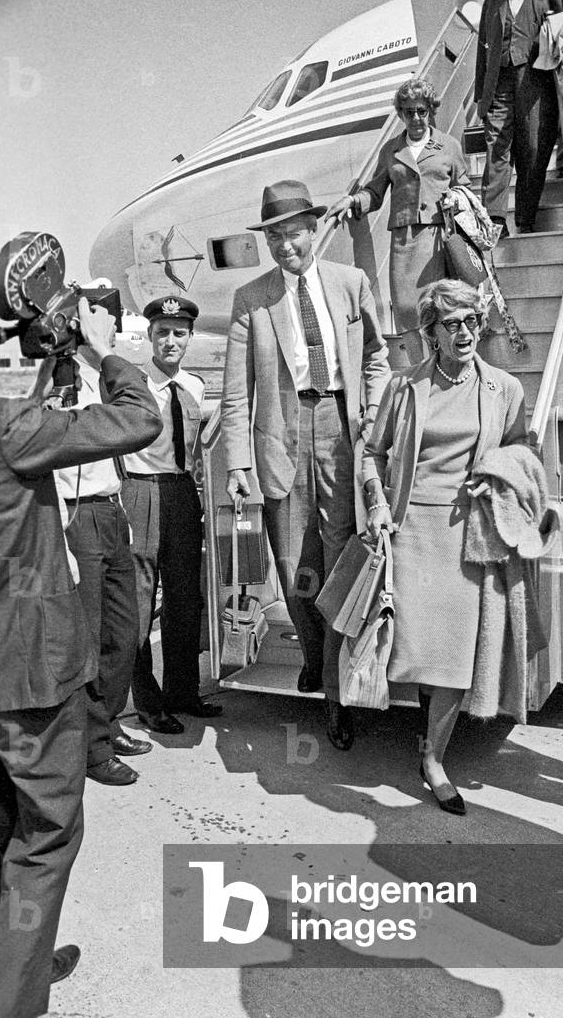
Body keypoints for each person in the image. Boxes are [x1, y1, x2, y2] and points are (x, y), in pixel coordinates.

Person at [0, 299, 162, 1018]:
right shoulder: (15, 428)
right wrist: (97, 351)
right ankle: (13, 995)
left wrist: (40, 364)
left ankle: (15, 957)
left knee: (1, 828)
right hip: (26, 669)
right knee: (45, 834)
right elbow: (138, 417)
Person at [221, 179, 390, 750]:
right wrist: (238, 462)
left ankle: (340, 695)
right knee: (295, 566)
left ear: (314, 229)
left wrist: (371, 416)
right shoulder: (252, 299)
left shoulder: (351, 283)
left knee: (342, 556)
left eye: (293, 233)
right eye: (275, 237)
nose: (286, 246)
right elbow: (236, 393)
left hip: (340, 429)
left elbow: (376, 358)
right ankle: (316, 659)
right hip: (282, 432)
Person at [362, 279, 528, 813]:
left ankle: (433, 758)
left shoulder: (505, 388)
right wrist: (377, 504)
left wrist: (498, 474)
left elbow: (521, 453)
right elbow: (372, 452)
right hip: (411, 531)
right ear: (430, 332)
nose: (464, 333)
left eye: (473, 322)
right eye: (451, 324)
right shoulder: (404, 386)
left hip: (468, 537)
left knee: (456, 655)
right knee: (412, 648)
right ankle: (410, 731)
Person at [29, 348, 152, 787]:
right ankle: (91, 750)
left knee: (123, 632)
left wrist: (101, 355)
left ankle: (107, 723)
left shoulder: (96, 372)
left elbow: (132, 422)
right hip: (75, 513)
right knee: (89, 635)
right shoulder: (42, 377)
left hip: (111, 507)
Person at [122, 296, 222, 734]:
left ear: (189, 337)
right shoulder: (133, 385)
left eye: (179, 333)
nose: (170, 341)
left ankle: (183, 691)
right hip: (141, 490)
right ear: (149, 336)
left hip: (182, 492)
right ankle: (147, 704)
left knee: (186, 598)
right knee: (140, 602)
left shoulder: (196, 386)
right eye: (162, 332)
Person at [325, 79, 469, 339]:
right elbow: (375, 192)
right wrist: (352, 201)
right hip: (404, 240)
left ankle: (443, 363)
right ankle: (420, 368)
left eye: (421, 111)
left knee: (439, 306)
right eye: (408, 112)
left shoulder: (449, 146)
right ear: (401, 114)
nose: (415, 118)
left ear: (430, 110)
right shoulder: (391, 150)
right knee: (406, 308)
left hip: (440, 238)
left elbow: (464, 188)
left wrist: (456, 200)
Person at [475, 0, 563, 236]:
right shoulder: (492, 2)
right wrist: (481, 96)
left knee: (532, 150)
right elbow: (483, 50)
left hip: (537, 82)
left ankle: (525, 218)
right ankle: (495, 220)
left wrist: (557, 29)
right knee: (496, 148)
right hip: (499, 84)